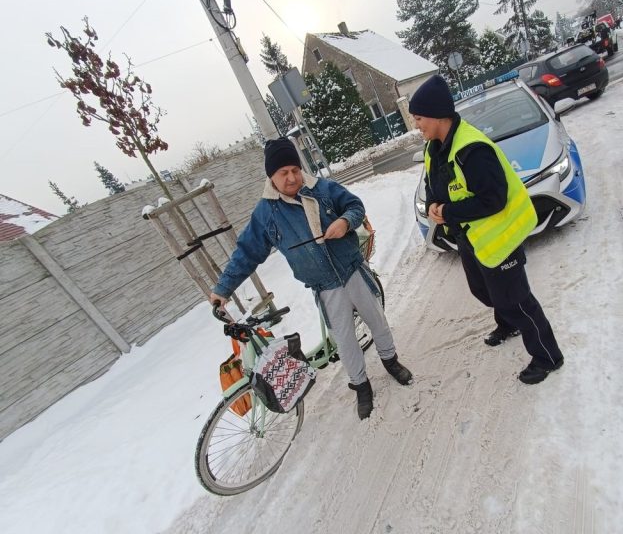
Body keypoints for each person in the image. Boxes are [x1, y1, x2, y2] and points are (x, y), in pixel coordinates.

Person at [209, 137, 412, 419]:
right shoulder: (267, 214)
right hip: (326, 287)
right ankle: (362, 386)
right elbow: (246, 253)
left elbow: (355, 206)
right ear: (272, 176)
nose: (292, 177)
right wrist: (223, 288)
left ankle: (391, 362)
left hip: (353, 270)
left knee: (377, 320)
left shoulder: (322, 189)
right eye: (284, 172)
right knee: (345, 340)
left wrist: (345, 222)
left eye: (295, 169)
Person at [409, 75, 564, 384]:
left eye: (419, 118)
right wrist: (433, 206)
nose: (417, 125)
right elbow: (433, 182)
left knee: (517, 299)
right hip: (471, 235)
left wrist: (448, 211)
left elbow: (494, 200)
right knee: (482, 290)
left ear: (438, 114)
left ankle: (548, 355)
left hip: (499, 236)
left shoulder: (473, 150)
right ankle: (508, 323)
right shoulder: (434, 148)